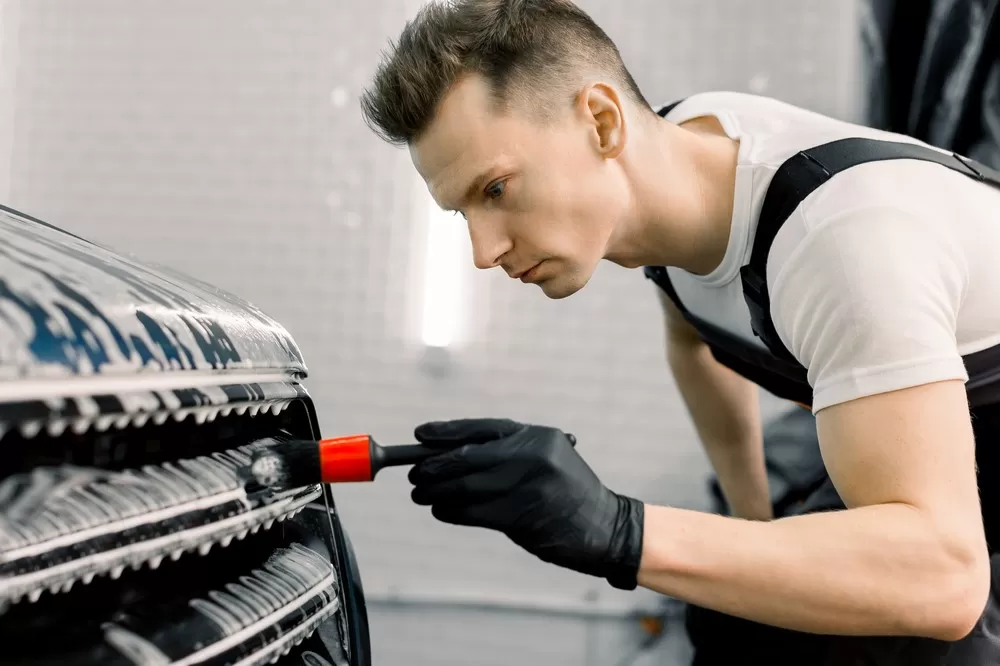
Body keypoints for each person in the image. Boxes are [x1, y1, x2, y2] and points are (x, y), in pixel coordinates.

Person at [359, 1, 1000, 663]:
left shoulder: (838, 239)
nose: (483, 252)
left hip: (955, 503)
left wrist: (618, 530)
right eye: (462, 213)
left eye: (495, 190)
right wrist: (753, 516)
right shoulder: (675, 173)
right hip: (948, 429)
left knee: (910, 638)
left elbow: (944, 581)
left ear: (602, 122)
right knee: (736, 623)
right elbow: (696, 343)